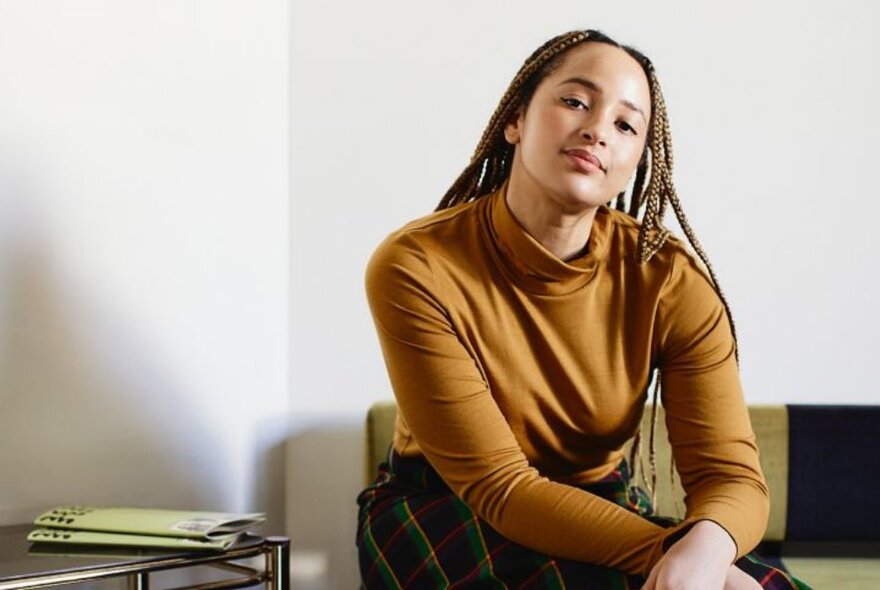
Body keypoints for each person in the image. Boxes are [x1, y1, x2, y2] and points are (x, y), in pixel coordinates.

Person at [357, 29, 811, 589]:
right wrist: (671, 561)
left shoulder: (670, 280)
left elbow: (732, 477)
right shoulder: (416, 264)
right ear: (516, 120)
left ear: (639, 159)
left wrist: (707, 558)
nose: (597, 130)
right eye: (575, 101)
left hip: (598, 503)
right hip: (445, 507)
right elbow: (502, 487)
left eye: (625, 125)